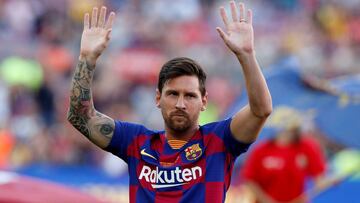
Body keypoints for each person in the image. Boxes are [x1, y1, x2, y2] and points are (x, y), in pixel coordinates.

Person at [67, 1, 272, 202]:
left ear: (204, 101)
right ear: (158, 98)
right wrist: (87, 58)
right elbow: (80, 117)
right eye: (173, 94)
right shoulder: (136, 142)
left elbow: (260, 110)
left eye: (190, 95)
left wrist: (247, 55)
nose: (180, 103)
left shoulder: (219, 140)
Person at [241, 111, 327, 203]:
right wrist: (267, 201)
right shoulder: (261, 149)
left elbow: (319, 179)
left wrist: (326, 184)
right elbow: (250, 179)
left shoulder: (307, 146)